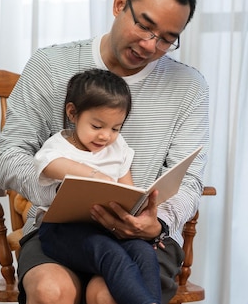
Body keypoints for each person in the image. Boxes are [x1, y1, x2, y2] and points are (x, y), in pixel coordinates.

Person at [0, 0, 209, 304]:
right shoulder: (50, 66)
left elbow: (190, 180)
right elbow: (7, 159)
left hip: (144, 237)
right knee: (51, 292)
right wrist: (64, 197)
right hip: (60, 229)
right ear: (120, 4)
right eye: (145, 26)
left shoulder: (189, 88)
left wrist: (158, 223)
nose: (150, 45)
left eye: (167, 39)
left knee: (108, 294)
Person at [35, 68, 161, 304]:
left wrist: (139, 208)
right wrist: (95, 176)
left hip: (108, 229)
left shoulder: (117, 147)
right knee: (109, 253)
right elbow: (48, 164)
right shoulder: (59, 146)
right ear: (73, 113)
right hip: (61, 231)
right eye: (96, 126)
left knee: (144, 252)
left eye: (115, 128)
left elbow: (129, 192)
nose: (106, 136)